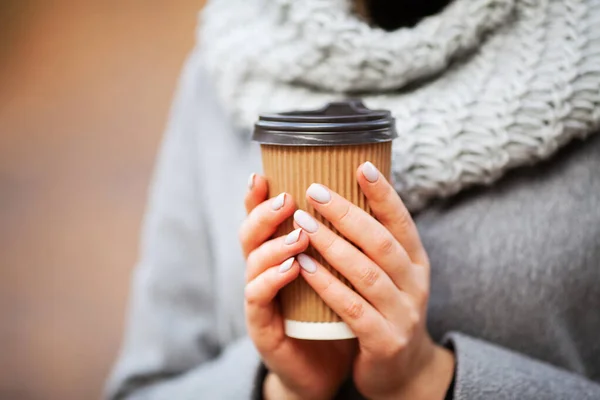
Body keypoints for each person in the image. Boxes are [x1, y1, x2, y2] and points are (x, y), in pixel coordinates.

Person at [105, 0, 600, 399]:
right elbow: (144, 387)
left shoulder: (585, 55)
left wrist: (432, 382)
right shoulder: (230, 57)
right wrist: (277, 388)